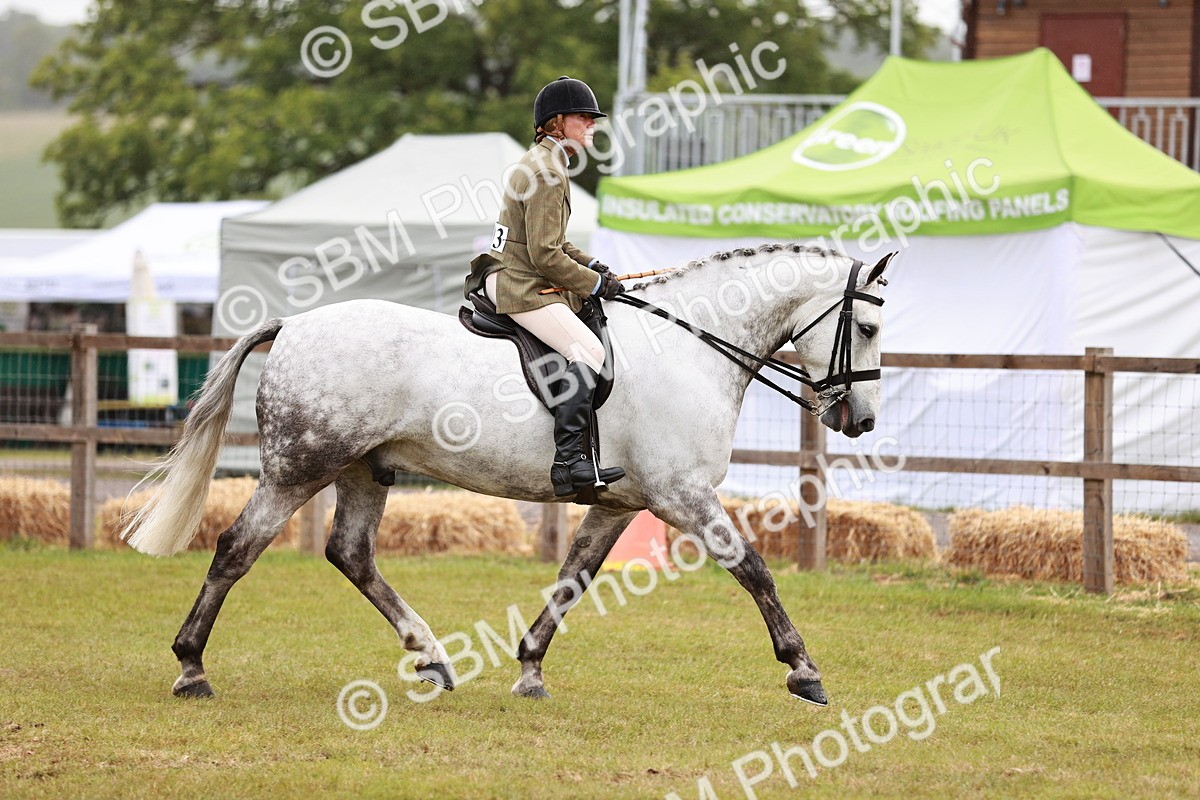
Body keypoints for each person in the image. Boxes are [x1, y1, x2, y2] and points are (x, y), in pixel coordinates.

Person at [465, 76, 626, 499]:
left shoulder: (540, 161)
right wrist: (593, 285)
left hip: (513, 273)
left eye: (593, 118)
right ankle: (569, 462)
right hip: (522, 284)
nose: (591, 125)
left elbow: (554, 242)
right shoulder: (548, 173)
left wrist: (592, 264)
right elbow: (545, 256)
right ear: (556, 123)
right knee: (589, 350)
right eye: (582, 117)